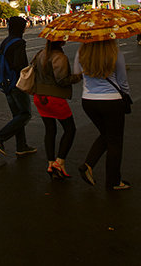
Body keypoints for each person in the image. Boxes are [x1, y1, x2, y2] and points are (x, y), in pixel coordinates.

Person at [74, 38, 131, 191]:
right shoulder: (114, 52)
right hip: (111, 100)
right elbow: (122, 80)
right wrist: (126, 96)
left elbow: (76, 72)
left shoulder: (81, 51)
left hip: (88, 100)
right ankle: (113, 181)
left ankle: (88, 165)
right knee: (115, 142)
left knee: (106, 135)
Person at [31, 39, 80, 179]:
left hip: (39, 97)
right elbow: (62, 80)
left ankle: (50, 162)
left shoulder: (41, 54)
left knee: (50, 130)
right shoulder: (60, 57)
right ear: (61, 42)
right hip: (55, 98)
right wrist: (78, 77)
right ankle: (60, 161)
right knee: (70, 129)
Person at [0, 17, 35, 157]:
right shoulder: (19, 42)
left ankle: (21, 146)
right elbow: (19, 64)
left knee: (17, 115)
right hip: (17, 83)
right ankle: (0, 136)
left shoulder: (6, 41)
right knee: (25, 114)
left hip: (6, 82)